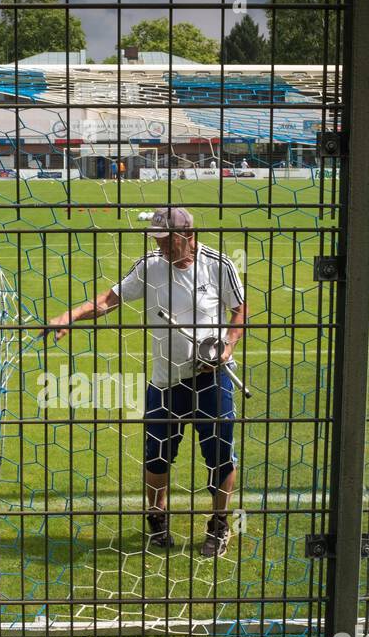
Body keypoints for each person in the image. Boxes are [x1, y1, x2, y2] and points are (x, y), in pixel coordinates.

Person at [44, 207, 247, 557]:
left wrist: (227, 346)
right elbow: (109, 300)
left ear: (188, 237)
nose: (162, 248)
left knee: (220, 459)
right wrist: (71, 315)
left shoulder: (219, 265)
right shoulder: (150, 267)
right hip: (165, 382)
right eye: (158, 241)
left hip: (212, 382)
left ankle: (219, 525)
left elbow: (240, 309)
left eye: (168, 241)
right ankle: (157, 519)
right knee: (156, 459)